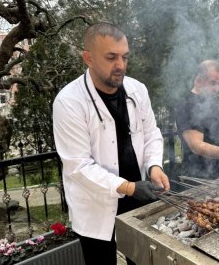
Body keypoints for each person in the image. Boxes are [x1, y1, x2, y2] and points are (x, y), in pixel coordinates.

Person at [53, 22, 170, 265]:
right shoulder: (69, 102)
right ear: (89, 58)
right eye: (111, 57)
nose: (121, 65)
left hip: (138, 195)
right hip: (96, 205)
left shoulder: (137, 90)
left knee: (142, 260)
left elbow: (151, 133)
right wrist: (127, 187)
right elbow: (78, 166)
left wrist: (154, 167)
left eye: (125, 57)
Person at [176, 60, 219, 179]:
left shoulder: (211, 102)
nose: (217, 89)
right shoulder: (188, 106)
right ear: (198, 80)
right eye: (212, 83)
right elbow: (196, 146)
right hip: (199, 177)